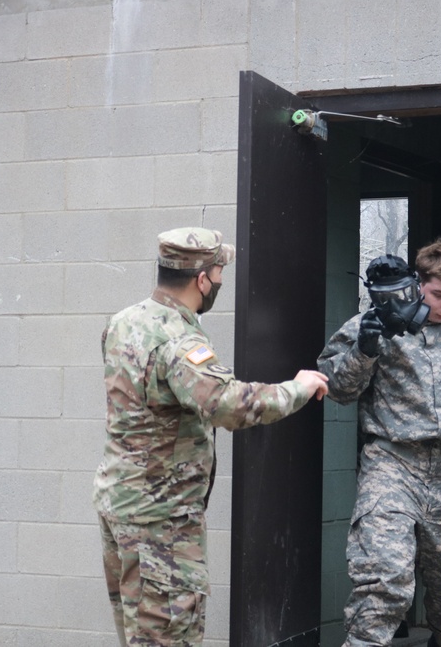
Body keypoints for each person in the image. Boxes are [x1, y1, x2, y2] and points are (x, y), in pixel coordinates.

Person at [93, 227, 329, 646]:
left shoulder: (123, 321)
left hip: (120, 505)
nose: (220, 281)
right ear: (202, 279)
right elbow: (230, 405)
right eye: (219, 272)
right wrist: (299, 387)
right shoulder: (178, 340)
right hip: (160, 521)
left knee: (139, 637)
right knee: (169, 638)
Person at [318, 239, 441, 647]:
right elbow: (337, 388)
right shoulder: (375, 322)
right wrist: (365, 351)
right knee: (384, 578)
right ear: (416, 286)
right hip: (393, 464)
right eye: (438, 295)